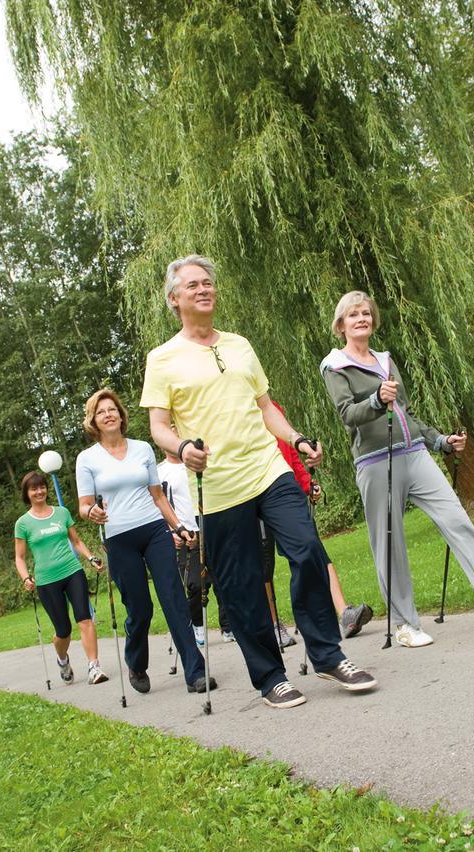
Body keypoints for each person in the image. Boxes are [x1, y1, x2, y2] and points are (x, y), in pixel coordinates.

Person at [141, 254, 377, 709]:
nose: (204, 289)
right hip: (220, 486)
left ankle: (328, 654)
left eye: (208, 282)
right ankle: (270, 677)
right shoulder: (163, 358)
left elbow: (265, 406)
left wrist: (297, 437)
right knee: (243, 584)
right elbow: (158, 426)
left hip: (269, 469)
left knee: (308, 550)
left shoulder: (240, 344)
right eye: (193, 285)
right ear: (174, 299)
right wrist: (183, 449)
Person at [321, 292, 474, 647]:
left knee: (457, 520)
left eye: (366, 313)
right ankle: (405, 625)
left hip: (414, 453)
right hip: (376, 463)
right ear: (341, 324)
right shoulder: (335, 366)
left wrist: (439, 441)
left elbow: (406, 413)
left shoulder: (385, 360)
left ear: (373, 320)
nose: (361, 318)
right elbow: (348, 414)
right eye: (352, 315)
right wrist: (377, 399)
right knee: (389, 544)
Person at [75, 389, 215, 695]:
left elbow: (158, 496)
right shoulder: (87, 459)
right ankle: (136, 662)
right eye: (102, 412)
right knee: (140, 609)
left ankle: (195, 670)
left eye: (113, 409)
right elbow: (83, 505)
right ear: (94, 421)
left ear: (121, 415)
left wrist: (177, 527)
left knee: (174, 598)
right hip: (118, 537)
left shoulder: (142, 450)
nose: (109, 414)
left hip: (153, 530)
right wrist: (92, 511)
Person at [264, 401, 374, 641]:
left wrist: (306, 483)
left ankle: (344, 613)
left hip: (286, 494)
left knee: (314, 549)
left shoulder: (272, 407)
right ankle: (273, 625)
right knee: (264, 564)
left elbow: (291, 453)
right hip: (255, 493)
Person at [13, 471, 109, 685]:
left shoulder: (61, 513)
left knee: (85, 619)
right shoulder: (23, 523)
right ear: (27, 493)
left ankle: (94, 667)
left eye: (42, 487)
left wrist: (91, 557)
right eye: (34, 488)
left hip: (72, 571)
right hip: (47, 580)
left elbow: (76, 541)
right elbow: (19, 558)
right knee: (63, 631)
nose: (39, 491)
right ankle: (62, 659)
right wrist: (25, 577)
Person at [157, 441, 233, 645]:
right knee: (195, 583)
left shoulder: (195, 461)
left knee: (222, 578)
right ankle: (197, 625)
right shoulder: (160, 472)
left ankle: (228, 627)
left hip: (208, 523)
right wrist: (172, 530)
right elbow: (158, 503)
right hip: (184, 531)